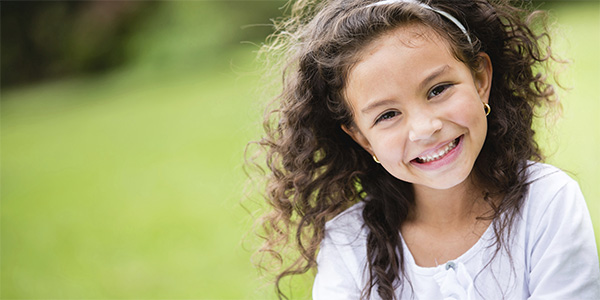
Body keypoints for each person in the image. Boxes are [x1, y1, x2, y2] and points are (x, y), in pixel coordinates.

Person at [249, 0, 600, 299]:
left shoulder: (546, 201)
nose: (424, 128)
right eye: (387, 115)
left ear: (480, 81)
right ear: (361, 137)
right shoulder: (348, 245)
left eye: (438, 90)